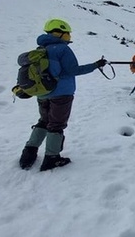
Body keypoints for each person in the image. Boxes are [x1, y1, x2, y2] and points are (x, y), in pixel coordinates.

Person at [19, 18, 107, 171]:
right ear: (59, 33)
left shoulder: (41, 49)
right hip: (62, 94)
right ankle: (52, 158)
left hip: (42, 93)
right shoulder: (63, 49)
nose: (69, 36)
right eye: (67, 33)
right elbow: (73, 70)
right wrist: (95, 65)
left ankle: (28, 154)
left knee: (43, 121)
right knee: (56, 125)